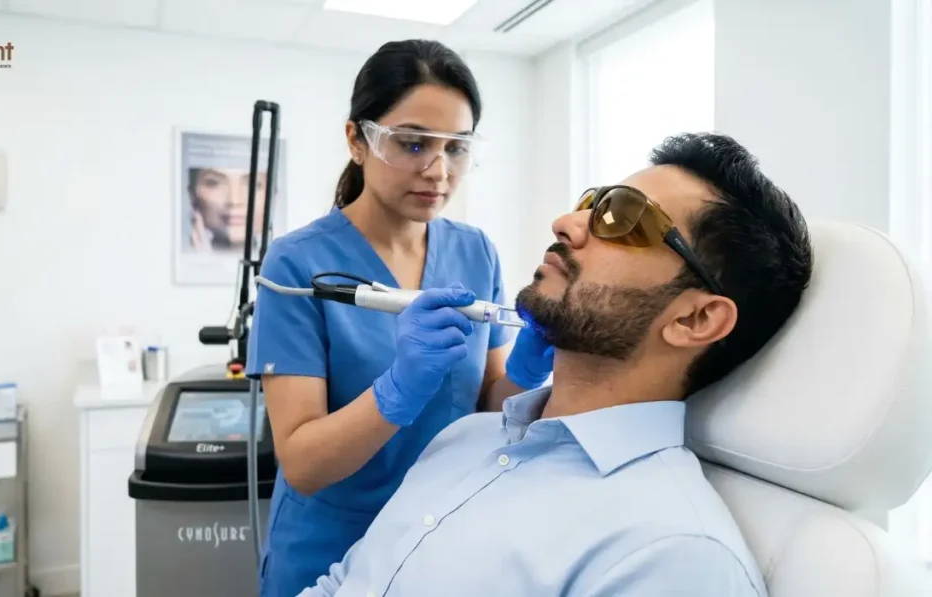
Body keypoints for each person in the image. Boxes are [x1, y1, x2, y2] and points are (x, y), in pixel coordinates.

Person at [296, 132, 814, 597]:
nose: (565, 223)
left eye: (625, 216)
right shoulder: (466, 441)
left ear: (696, 318)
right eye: (590, 203)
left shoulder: (672, 554)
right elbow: (345, 584)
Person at [247, 39, 555, 597]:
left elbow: (484, 403)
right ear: (357, 140)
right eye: (412, 144)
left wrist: (528, 374)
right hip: (329, 548)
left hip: (436, 537)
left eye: (455, 148)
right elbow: (302, 464)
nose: (438, 171)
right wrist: (397, 391)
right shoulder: (297, 264)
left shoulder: (475, 251)